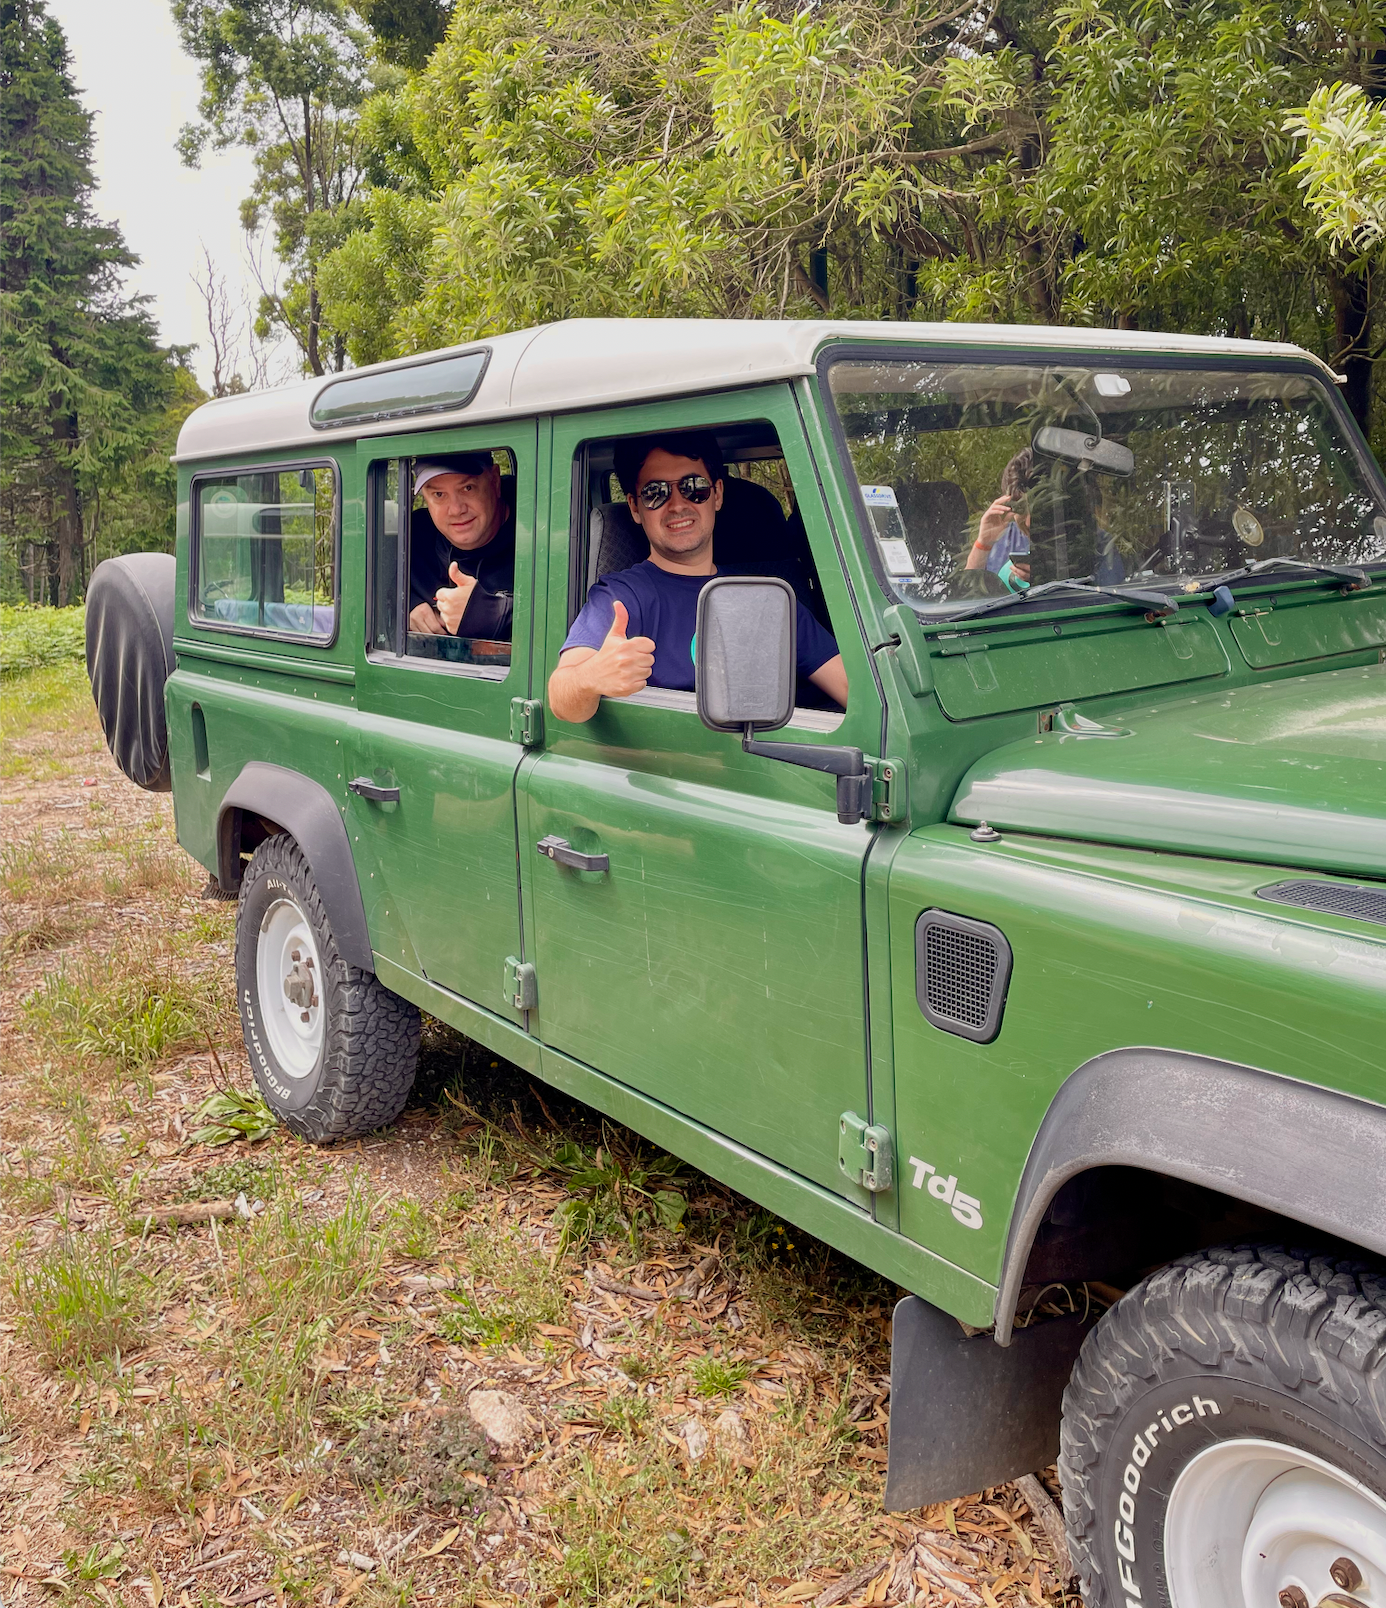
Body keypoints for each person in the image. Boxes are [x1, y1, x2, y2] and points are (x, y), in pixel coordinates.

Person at [548, 432, 848, 724]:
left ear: (716, 494)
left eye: (694, 487)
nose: (678, 504)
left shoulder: (768, 596)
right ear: (635, 508)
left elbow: (854, 692)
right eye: (656, 492)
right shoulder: (622, 597)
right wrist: (592, 677)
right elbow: (562, 697)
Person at [407, 452, 515, 640]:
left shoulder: (542, 532)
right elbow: (361, 595)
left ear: (495, 482)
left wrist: (494, 615)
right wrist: (405, 605)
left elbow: (574, 617)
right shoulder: (409, 539)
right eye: (439, 494)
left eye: (467, 488)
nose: (456, 509)